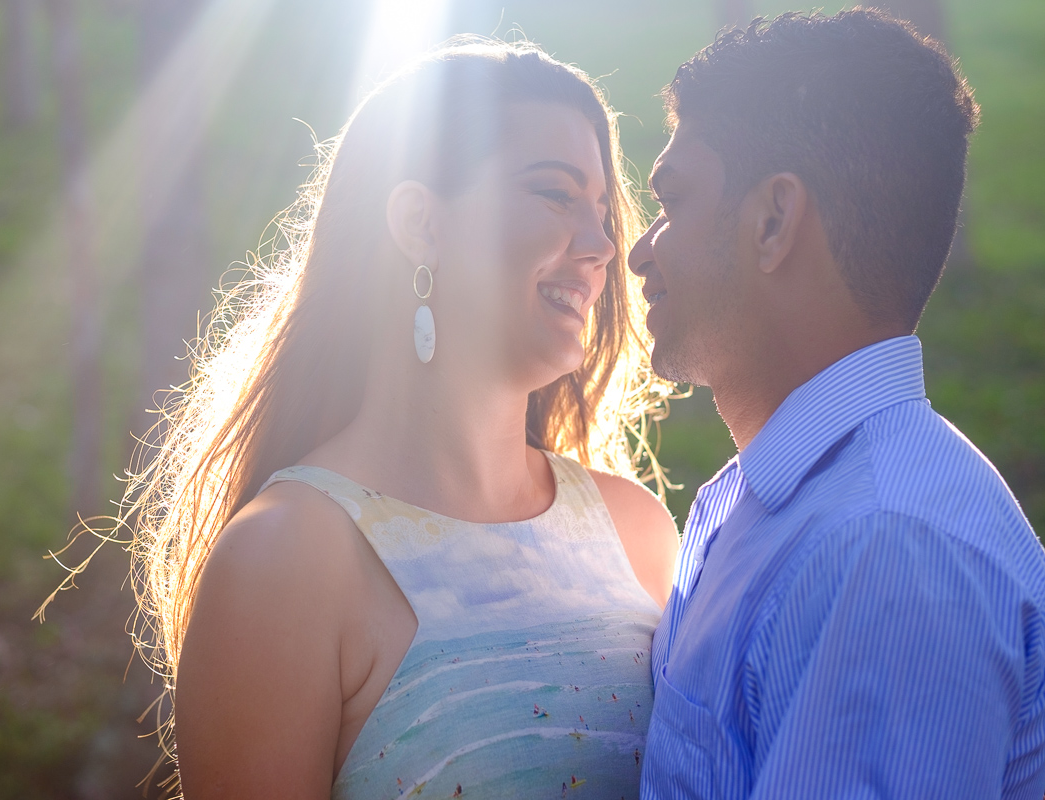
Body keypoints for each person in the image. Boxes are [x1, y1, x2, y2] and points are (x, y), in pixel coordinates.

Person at [127, 39, 679, 799]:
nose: (602, 247)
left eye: (601, 210)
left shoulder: (639, 534)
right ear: (421, 224)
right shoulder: (284, 563)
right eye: (555, 195)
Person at [630, 10, 1045, 799]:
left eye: (674, 201)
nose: (643, 249)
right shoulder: (770, 498)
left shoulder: (885, 552)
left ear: (774, 222)